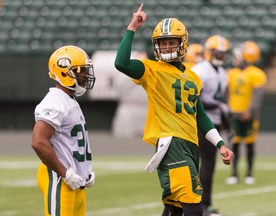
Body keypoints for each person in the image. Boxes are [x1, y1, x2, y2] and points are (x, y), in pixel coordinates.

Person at [114, 4, 234, 216]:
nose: (168, 47)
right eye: (163, 43)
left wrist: (220, 144)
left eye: (172, 42)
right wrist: (132, 28)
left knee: (175, 207)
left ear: (182, 43)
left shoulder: (194, 77)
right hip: (172, 143)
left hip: (191, 143)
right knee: (194, 206)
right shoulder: (151, 70)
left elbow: (201, 116)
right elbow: (121, 63)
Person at [32, 45, 96, 216]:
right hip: (61, 179)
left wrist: (85, 171)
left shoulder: (69, 99)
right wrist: (65, 172)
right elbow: (38, 141)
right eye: (80, 71)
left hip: (75, 181)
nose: (84, 75)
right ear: (64, 72)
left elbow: (71, 143)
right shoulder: (55, 101)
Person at [191, 35, 230, 216]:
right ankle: (201, 204)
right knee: (204, 163)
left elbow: (222, 102)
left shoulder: (222, 72)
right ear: (209, 51)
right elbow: (193, 100)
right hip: (199, 121)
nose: (220, 56)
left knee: (210, 164)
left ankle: (205, 203)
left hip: (214, 122)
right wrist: (217, 105)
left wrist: (226, 124)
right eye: (217, 52)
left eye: (222, 53)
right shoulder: (199, 70)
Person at [225, 41, 267, 185]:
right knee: (234, 144)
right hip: (234, 113)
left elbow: (257, 96)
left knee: (249, 144)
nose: (236, 58)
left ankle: (249, 173)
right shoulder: (231, 73)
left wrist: (251, 111)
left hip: (249, 115)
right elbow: (226, 94)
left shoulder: (256, 73)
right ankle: (234, 174)